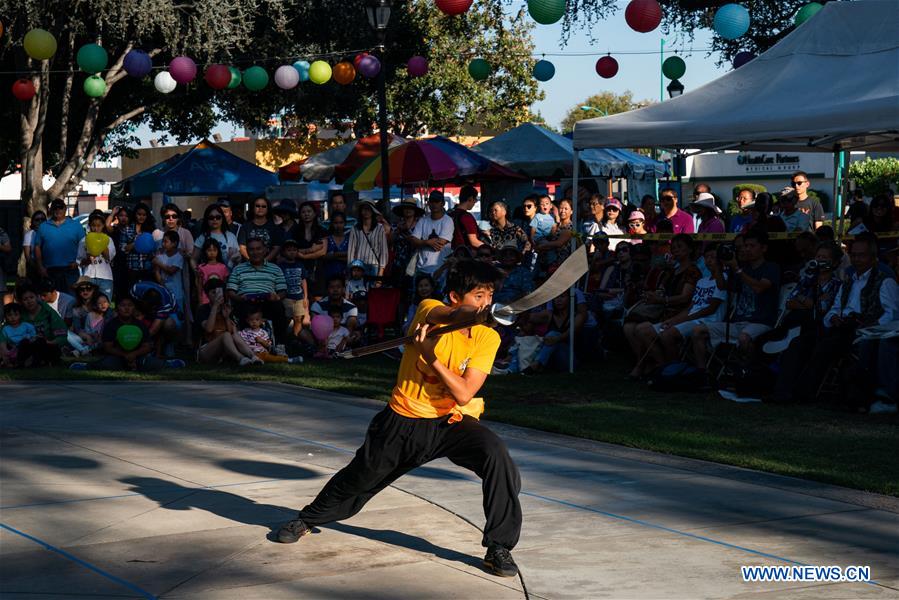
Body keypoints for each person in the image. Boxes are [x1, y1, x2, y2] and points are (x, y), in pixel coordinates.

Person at [276, 260, 521, 577]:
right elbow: (447, 315)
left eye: (488, 296)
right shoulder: (429, 309)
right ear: (455, 296)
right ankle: (308, 519)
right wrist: (457, 322)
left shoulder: (487, 337)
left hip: (451, 421)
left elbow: (463, 393)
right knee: (360, 478)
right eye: (477, 295)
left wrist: (430, 356)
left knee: (497, 456)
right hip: (403, 419)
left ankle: (498, 547)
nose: (485, 302)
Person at [770, 234, 898, 406]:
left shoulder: (885, 281)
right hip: (839, 327)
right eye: (854, 255)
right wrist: (833, 318)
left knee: (825, 347)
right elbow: (835, 307)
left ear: (873, 257)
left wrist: (866, 326)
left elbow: (890, 315)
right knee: (799, 343)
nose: (857, 259)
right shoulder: (848, 280)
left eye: (862, 255)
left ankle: (804, 393)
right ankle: (782, 392)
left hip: (861, 332)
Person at [691, 229, 781, 369]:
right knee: (698, 330)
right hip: (738, 323)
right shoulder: (742, 267)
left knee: (744, 338)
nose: (747, 249)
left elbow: (759, 288)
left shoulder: (771, 267)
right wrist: (718, 268)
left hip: (761, 322)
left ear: (763, 248)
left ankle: (747, 374)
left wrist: (737, 269)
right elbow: (722, 286)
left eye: (752, 246)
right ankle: (702, 372)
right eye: (745, 246)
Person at [635, 244, 727, 371]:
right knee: (643, 330)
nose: (709, 260)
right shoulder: (702, 281)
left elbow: (710, 309)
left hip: (707, 321)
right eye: (707, 257)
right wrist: (674, 320)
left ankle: (674, 368)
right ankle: (662, 366)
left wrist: (684, 320)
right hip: (691, 319)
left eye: (713, 257)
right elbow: (690, 308)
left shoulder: (725, 280)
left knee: (667, 335)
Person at [624, 234, 701, 377]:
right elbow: (661, 290)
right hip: (662, 310)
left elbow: (685, 298)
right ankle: (651, 364)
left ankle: (660, 366)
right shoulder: (671, 271)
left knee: (641, 330)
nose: (676, 250)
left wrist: (662, 300)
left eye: (680, 247)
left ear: (690, 249)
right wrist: (654, 296)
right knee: (629, 327)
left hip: (678, 313)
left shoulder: (692, 271)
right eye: (674, 248)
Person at [69, 295, 185, 371]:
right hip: (117, 358)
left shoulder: (140, 324)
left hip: (138, 358)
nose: (126, 308)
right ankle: (86, 366)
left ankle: (168, 364)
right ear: (117, 308)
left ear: (134, 308)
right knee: (106, 364)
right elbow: (108, 347)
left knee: (150, 364)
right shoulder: (111, 325)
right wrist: (125, 355)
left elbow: (147, 346)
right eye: (123, 305)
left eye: (130, 305)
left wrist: (134, 355)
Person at [227, 238, 288, 339]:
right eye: (251, 249)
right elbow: (231, 291)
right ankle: (245, 344)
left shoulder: (275, 268)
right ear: (247, 251)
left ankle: (279, 344)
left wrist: (277, 297)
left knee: (278, 307)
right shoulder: (238, 269)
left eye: (258, 249)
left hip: (268, 302)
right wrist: (239, 298)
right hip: (245, 302)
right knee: (241, 308)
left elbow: (283, 291)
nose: (255, 252)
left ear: (265, 250)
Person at [524, 288, 597, 373]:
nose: (558, 300)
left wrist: (557, 339)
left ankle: (537, 364)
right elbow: (529, 317)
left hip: (570, 358)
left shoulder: (578, 316)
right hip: (552, 356)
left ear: (570, 299)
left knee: (553, 334)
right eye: (556, 297)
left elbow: (572, 332)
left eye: (562, 297)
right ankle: (537, 364)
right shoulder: (549, 314)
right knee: (549, 337)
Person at [196, 279, 261, 366]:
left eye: (218, 292)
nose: (216, 295)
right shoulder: (203, 309)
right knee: (226, 335)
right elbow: (209, 329)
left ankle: (253, 357)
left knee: (233, 334)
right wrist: (215, 307)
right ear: (207, 295)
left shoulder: (226, 308)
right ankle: (241, 359)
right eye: (213, 292)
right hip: (207, 350)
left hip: (225, 349)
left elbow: (232, 332)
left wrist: (227, 318)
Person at [33, 198, 85, 293]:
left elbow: (83, 244)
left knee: (71, 301)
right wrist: (40, 267)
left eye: (60, 208)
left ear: (65, 209)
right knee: (51, 301)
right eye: (55, 208)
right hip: (50, 271)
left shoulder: (76, 225)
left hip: (70, 270)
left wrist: (78, 261)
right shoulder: (43, 226)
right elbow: (37, 247)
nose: (58, 210)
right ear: (51, 210)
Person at [15, 285, 67, 366]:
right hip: (24, 346)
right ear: (21, 302)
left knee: (40, 342)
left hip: (46, 346)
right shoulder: (18, 314)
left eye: (31, 297)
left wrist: (50, 342)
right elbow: (5, 331)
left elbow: (62, 336)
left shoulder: (48, 312)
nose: (29, 301)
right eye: (25, 299)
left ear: (37, 297)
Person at [131, 280, 182, 358]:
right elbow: (130, 305)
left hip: (171, 310)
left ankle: (167, 343)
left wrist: (137, 342)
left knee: (169, 325)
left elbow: (153, 330)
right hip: (142, 306)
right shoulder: (135, 289)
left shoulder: (165, 303)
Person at [409, 190, 455, 277]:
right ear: (428, 204)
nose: (434, 204)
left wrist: (421, 242)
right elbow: (413, 240)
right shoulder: (423, 220)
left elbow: (440, 243)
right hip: (421, 268)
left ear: (443, 204)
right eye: (432, 201)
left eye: (437, 202)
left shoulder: (447, 220)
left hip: (440, 268)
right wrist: (427, 242)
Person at [310, 276, 362, 347]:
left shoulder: (351, 307)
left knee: (356, 332)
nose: (335, 290)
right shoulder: (317, 305)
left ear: (343, 289)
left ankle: (341, 345)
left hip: (342, 336)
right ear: (327, 289)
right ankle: (321, 347)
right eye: (332, 287)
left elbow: (349, 328)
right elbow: (316, 327)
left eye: (338, 287)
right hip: (323, 338)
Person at [238, 308, 303, 364]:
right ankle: (256, 361)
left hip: (262, 353)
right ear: (247, 321)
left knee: (268, 356)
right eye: (251, 320)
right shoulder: (245, 332)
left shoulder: (263, 333)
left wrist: (262, 341)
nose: (254, 322)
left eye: (257, 320)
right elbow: (239, 340)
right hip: (250, 353)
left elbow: (268, 346)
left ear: (261, 321)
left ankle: (289, 360)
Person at [76, 212, 116, 300]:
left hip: (105, 277)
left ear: (103, 226)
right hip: (89, 276)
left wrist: (101, 245)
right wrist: (88, 259)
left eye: (99, 225)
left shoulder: (108, 239)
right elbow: (79, 261)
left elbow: (109, 257)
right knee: (88, 303)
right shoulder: (84, 241)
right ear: (89, 225)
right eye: (93, 225)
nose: (96, 228)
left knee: (105, 303)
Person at [347, 199, 389, 278]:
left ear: (373, 211)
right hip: (358, 267)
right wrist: (350, 271)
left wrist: (380, 274)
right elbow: (351, 251)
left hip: (374, 267)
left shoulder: (379, 228)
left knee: (373, 289)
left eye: (369, 209)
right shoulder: (355, 228)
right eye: (364, 209)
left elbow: (383, 251)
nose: (366, 211)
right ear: (360, 211)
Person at [294, 201, 328, 295]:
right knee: (302, 299)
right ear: (300, 214)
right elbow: (293, 251)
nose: (306, 214)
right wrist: (312, 250)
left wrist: (304, 255)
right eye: (303, 212)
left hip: (317, 269)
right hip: (300, 269)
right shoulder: (295, 231)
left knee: (317, 299)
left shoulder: (322, 230)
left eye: (309, 211)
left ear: (314, 213)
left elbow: (323, 251)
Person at [120, 202, 157, 288]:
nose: (141, 217)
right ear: (135, 214)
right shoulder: (127, 228)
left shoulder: (151, 229)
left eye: (144, 215)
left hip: (147, 268)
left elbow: (155, 249)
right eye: (139, 214)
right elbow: (122, 248)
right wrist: (136, 243)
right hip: (132, 268)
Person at [279, 239, 310, 338]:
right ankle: (286, 339)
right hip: (287, 297)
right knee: (287, 318)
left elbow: (303, 280)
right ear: (283, 252)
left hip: (299, 297)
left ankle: (296, 337)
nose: (292, 252)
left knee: (298, 318)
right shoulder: (280, 266)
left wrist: (305, 297)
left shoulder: (300, 265)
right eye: (289, 250)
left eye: (294, 250)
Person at [194, 204, 241, 268]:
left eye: (218, 217)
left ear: (222, 218)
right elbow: (193, 259)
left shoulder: (231, 236)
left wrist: (237, 259)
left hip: (229, 276)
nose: (215, 220)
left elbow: (238, 259)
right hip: (207, 277)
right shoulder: (202, 237)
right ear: (207, 219)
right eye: (211, 217)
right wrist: (197, 272)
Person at [536, 198, 574, 275]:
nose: (563, 211)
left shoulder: (570, 226)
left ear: (571, 211)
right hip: (549, 264)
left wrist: (543, 245)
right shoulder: (556, 225)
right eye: (561, 208)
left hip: (562, 265)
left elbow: (559, 243)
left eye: (566, 209)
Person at [239, 197, 283, 262]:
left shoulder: (274, 228)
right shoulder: (245, 227)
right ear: (253, 208)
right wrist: (251, 261)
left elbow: (276, 248)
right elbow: (242, 247)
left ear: (268, 209)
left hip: (269, 265)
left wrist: (264, 262)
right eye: (257, 206)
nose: (260, 208)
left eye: (264, 206)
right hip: (249, 265)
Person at [154, 230, 186, 317]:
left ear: (174, 243)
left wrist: (159, 263)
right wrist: (161, 284)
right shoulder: (160, 256)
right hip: (164, 292)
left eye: (166, 241)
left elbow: (171, 271)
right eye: (162, 241)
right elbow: (157, 271)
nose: (163, 244)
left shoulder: (179, 257)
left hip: (177, 293)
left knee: (178, 316)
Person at [0, 302, 37, 367]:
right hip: (12, 349)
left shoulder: (26, 325)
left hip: (25, 347)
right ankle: (11, 362)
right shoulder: (5, 329)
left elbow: (34, 337)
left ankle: (21, 362)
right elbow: (4, 342)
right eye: (9, 315)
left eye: (16, 315)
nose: (13, 317)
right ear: (5, 317)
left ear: (20, 315)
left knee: (25, 342)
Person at [196, 238, 229, 306]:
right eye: (209, 250)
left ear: (218, 251)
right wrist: (200, 300)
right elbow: (199, 286)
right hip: (206, 300)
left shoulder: (223, 267)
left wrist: (226, 300)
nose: (212, 253)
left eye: (214, 250)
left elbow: (225, 285)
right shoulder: (201, 267)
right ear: (205, 251)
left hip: (220, 299)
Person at [450, 185, 484, 250]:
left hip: (451, 253)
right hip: (464, 255)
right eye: (475, 199)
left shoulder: (450, 214)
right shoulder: (466, 217)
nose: (475, 202)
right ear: (470, 198)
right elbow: (474, 242)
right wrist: (491, 249)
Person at [321, 211, 349, 282]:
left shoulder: (350, 240)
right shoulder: (327, 239)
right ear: (332, 224)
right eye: (336, 223)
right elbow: (324, 257)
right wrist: (343, 254)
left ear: (345, 223)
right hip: (329, 278)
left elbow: (351, 258)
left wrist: (333, 255)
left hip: (346, 277)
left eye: (341, 222)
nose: (338, 225)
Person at [23, 210, 47, 285]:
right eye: (37, 220)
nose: (40, 221)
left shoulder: (49, 233)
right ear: (32, 222)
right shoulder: (29, 235)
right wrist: (39, 268)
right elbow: (28, 256)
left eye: (42, 219)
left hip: (49, 266)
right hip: (34, 268)